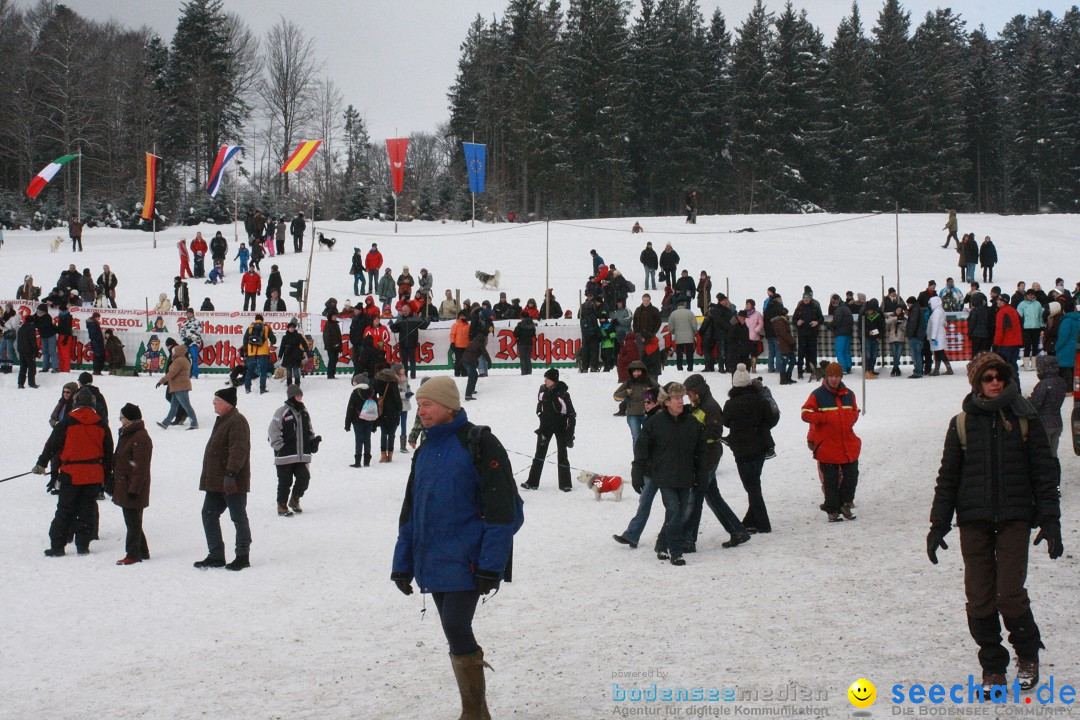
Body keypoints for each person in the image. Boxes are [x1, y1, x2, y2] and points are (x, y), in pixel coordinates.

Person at [927, 352, 1061, 693]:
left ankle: (1028, 655)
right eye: (988, 378)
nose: (995, 382)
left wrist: (1050, 519)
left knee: (1010, 594)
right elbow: (948, 478)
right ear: (977, 383)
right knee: (980, 598)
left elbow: (1044, 473)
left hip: (1015, 518)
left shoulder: (1024, 417)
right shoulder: (961, 423)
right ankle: (993, 665)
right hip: (974, 521)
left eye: (999, 376)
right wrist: (938, 524)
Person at [391, 376, 524, 720]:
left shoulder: (479, 443)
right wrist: (402, 563)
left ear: (449, 406)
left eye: (428, 404)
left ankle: (473, 712)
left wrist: (491, 564)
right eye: (419, 405)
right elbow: (411, 511)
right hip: (433, 557)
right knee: (453, 631)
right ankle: (477, 712)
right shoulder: (423, 450)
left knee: (455, 625)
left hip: (469, 559)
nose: (422, 411)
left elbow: (502, 511)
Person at [630, 382, 707, 566]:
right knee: (674, 510)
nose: (681, 401)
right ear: (666, 402)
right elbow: (641, 450)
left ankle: (661, 544)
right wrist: (637, 473)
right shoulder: (655, 423)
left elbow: (701, 453)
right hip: (663, 477)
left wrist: (702, 477)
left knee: (678, 514)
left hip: (686, 477)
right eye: (676, 398)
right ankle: (676, 551)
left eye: (682, 397)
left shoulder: (692, 423)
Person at [34, 387, 113, 556]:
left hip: (71, 472)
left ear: (75, 403)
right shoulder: (102, 424)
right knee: (87, 510)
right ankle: (83, 546)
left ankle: (58, 547)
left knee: (64, 510)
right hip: (93, 474)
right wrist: (105, 477)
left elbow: (52, 444)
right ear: (93, 404)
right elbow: (108, 454)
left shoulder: (67, 422)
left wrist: (42, 463)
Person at [680, 373, 751, 551]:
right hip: (704, 457)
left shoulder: (710, 407)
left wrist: (694, 440)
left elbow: (715, 433)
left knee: (695, 498)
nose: (688, 397)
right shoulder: (700, 405)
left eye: (689, 393)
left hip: (708, 458)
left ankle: (688, 540)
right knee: (712, 497)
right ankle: (738, 531)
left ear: (696, 391)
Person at [195, 387, 252, 571]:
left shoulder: (237, 421)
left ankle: (242, 556)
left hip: (231, 480)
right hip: (216, 481)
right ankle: (216, 555)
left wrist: (230, 474)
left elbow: (238, 450)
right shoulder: (223, 420)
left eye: (216, 400)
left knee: (238, 517)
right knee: (208, 514)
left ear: (227, 403)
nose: (213, 403)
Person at [802, 362, 861, 522]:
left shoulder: (849, 394)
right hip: (827, 445)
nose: (834, 379)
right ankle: (832, 510)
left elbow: (855, 412)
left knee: (851, 477)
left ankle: (845, 504)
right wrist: (825, 418)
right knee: (830, 481)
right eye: (831, 376)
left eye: (837, 376)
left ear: (841, 377)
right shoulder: (817, 395)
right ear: (826, 377)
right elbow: (805, 413)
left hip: (847, 444)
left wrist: (849, 419)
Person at [722, 367, 779, 534]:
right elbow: (769, 419)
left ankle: (763, 523)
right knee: (754, 484)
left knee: (752, 487)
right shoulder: (759, 400)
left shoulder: (731, 404)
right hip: (760, 447)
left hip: (742, 450)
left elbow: (725, 422)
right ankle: (750, 519)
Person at [521, 368, 576, 492]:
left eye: (548, 379)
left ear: (554, 381)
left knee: (562, 454)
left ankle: (565, 484)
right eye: (545, 378)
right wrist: (540, 414)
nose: (545, 381)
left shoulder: (563, 394)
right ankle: (532, 482)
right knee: (539, 454)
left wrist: (570, 433)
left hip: (561, 426)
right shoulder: (542, 390)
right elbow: (539, 404)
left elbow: (572, 414)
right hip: (545, 427)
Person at [269, 385, 318, 516]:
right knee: (285, 482)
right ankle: (282, 505)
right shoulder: (282, 411)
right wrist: (279, 446)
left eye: (301, 396)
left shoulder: (304, 412)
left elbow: (309, 429)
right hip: (285, 455)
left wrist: (313, 442)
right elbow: (273, 431)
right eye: (297, 396)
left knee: (304, 478)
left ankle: (295, 499)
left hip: (302, 455)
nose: (299, 398)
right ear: (291, 397)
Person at [112, 403, 152, 565]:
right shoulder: (129, 434)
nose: (120, 421)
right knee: (133, 520)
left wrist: (134, 489)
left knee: (133, 522)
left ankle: (133, 554)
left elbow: (140, 467)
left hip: (133, 487)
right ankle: (142, 551)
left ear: (129, 419)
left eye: (121, 418)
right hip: (126, 484)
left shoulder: (139, 437)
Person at [1028, 355, 1068, 459]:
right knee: (1053, 455)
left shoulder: (1043, 384)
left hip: (1044, 424)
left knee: (1043, 456)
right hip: (1057, 422)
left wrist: (1027, 401)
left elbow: (1035, 404)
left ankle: (1047, 474)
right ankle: (1055, 473)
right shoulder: (1061, 381)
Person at [156, 342, 198, 430]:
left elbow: (171, 373)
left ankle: (194, 424)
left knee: (187, 406)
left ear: (178, 352)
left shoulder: (179, 361)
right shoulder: (183, 360)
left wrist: (161, 381)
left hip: (180, 386)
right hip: (177, 386)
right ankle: (165, 423)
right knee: (173, 407)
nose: (172, 353)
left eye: (174, 352)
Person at [345, 372, 376, 467]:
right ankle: (367, 461)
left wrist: (347, 424)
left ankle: (357, 461)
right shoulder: (371, 392)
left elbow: (350, 408)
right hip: (369, 419)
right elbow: (376, 407)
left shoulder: (355, 393)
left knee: (359, 440)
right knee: (367, 439)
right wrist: (375, 423)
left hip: (357, 420)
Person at [374, 363, 402, 462]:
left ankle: (383, 455)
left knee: (383, 433)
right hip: (393, 411)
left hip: (382, 411)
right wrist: (399, 408)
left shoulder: (378, 382)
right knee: (392, 434)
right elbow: (397, 398)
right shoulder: (393, 383)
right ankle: (390, 454)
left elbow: (373, 393)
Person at [243, 314, 276, 394]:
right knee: (263, 371)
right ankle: (262, 388)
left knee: (250, 370)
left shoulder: (250, 328)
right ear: (262, 320)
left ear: (255, 319)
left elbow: (245, 340)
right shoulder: (266, 327)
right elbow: (273, 340)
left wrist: (245, 352)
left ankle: (247, 388)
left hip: (252, 352)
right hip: (263, 352)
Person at [793, 292, 823, 380]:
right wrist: (797, 322)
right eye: (804, 297)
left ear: (810, 298)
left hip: (812, 334)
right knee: (801, 354)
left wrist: (816, 322)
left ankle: (813, 371)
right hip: (802, 334)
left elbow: (821, 318)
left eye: (807, 297)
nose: (806, 299)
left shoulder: (815, 307)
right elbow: (794, 319)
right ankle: (799, 372)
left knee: (813, 354)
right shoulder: (799, 308)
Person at [1016, 290, 1043, 371]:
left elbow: (1040, 316)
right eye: (1029, 295)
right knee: (1027, 345)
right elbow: (1018, 316)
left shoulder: (1037, 304)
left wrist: (1041, 327)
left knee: (1035, 346)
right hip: (1026, 328)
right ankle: (1026, 364)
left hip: (1036, 327)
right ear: (1026, 295)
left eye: (1032, 295)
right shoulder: (1022, 304)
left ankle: (1034, 364)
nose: (1030, 296)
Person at [278, 319, 310, 387]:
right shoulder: (285, 337)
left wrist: (305, 351)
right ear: (288, 328)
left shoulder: (298, 336)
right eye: (290, 328)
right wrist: (280, 356)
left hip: (296, 355)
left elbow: (305, 344)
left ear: (294, 328)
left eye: (293, 328)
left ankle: (297, 384)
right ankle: (289, 384)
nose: (292, 329)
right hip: (287, 356)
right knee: (288, 372)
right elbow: (282, 347)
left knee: (296, 371)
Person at [928, 296, 954, 376]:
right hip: (939, 335)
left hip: (937, 336)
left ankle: (948, 369)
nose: (929, 305)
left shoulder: (936, 312)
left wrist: (933, 336)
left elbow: (935, 325)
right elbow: (944, 323)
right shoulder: (940, 311)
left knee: (940, 352)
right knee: (938, 352)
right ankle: (937, 369)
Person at [16, 313, 39, 389]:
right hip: (29, 350)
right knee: (31, 367)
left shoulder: (21, 328)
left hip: (21, 350)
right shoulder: (31, 328)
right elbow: (32, 340)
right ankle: (31, 383)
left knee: (23, 367)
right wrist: (35, 350)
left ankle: (20, 383)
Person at [323, 310, 342, 379]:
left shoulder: (336, 324)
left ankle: (332, 374)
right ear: (330, 317)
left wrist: (339, 345)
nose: (335, 317)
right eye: (333, 316)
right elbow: (326, 336)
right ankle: (330, 374)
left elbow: (338, 336)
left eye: (335, 316)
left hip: (336, 346)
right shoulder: (328, 324)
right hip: (331, 347)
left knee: (335, 360)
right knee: (332, 360)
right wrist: (331, 345)